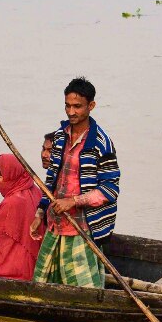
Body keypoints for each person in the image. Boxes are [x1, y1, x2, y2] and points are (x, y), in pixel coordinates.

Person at [30, 77, 120, 289]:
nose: (71, 112)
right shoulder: (61, 136)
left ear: (91, 106)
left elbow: (110, 190)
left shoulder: (101, 143)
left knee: (84, 289)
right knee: (43, 283)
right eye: (67, 106)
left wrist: (73, 201)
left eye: (77, 106)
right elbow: (51, 179)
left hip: (82, 227)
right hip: (55, 222)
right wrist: (39, 214)